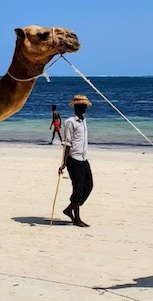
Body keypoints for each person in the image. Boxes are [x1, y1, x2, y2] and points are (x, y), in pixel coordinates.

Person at [58, 95, 93, 227]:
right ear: (76, 106)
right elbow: (67, 143)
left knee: (88, 186)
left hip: (84, 158)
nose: (85, 108)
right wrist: (64, 163)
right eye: (83, 106)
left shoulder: (84, 120)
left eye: (85, 105)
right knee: (77, 189)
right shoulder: (70, 122)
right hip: (74, 159)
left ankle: (69, 209)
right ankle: (77, 218)